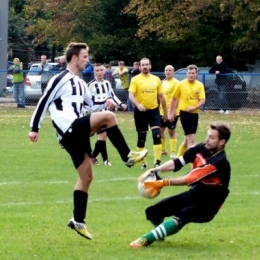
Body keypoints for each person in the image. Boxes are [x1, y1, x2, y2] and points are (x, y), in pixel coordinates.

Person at [28, 42, 148, 240]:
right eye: (85, 57)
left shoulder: (82, 83)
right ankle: (127, 156)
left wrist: (108, 103)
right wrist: (35, 128)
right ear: (75, 57)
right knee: (108, 118)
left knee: (87, 176)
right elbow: (44, 101)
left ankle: (77, 220)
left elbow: (91, 108)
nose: (87, 60)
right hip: (69, 128)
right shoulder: (60, 78)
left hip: (76, 133)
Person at [130, 122, 231, 248]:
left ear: (222, 142)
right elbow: (178, 162)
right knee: (154, 211)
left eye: (212, 137)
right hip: (196, 194)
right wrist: (156, 170)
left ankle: (146, 240)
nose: (207, 140)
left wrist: (163, 182)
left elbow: (189, 179)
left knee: (184, 214)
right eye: (207, 135)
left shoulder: (219, 161)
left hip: (209, 205)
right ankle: (160, 233)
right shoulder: (201, 147)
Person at [129, 57, 167, 169]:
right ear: (140, 67)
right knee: (142, 137)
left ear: (150, 66)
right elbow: (131, 95)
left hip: (154, 111)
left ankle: (157, 162)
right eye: (143, 65)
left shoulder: (156, 79)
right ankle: (143, 162)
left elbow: (161, 97)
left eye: (147, 64)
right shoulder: (135, 79)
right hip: (140, 112)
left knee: (157, 135)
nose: (145, 66)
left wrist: (165, 112)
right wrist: (138, 104)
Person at [88, 63, 127, 166]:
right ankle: (105, 160)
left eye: (101, 70)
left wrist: (121, 103)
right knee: (103, 135)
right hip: (95, 114)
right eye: (97, 70)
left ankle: (93, 157)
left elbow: (112, 96)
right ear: (94, 72)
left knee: (103, 136)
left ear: (104, 71)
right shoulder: (91, 85)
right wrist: (106, 100)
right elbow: (90, 100)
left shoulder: (107, 83)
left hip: (105, 114)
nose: (100, 72)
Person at [169, 64, 206, 158]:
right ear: (186, 73)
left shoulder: (200, 85)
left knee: (186, 140)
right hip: (184, 114)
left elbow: (202, 100)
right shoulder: (181, 84)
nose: (191, 75)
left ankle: (177, 160)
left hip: (195, 114)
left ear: (196, 74)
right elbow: (174, 98)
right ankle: (193, 164)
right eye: (189, 73)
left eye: (193, 73)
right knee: (192, 140)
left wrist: (194, 108)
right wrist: (171, 112)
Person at [160, 65, 179, 159]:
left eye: (170, 70)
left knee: (171, 131)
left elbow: (177, 98)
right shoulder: (162, 82)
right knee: (160, 131)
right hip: (162, 111)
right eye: (166, 70)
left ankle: (172, 152)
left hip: (172, 111)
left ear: (173, 72)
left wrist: (174, 111)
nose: (168, 72)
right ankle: (163, 150)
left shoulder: (176, 83)